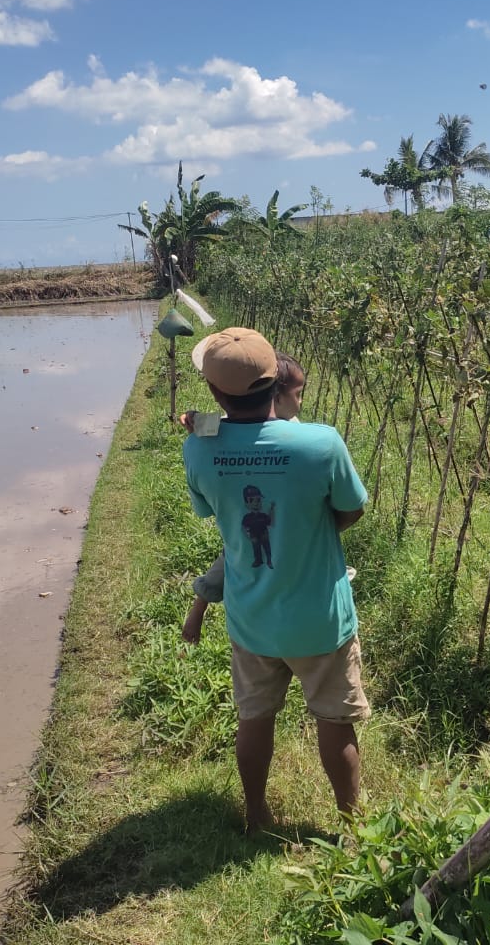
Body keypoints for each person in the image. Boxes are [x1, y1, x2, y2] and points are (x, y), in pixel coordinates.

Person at [180, 327, 370, 833]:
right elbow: (350, 510)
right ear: (277, 382)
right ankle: (352, 824)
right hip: (319, 618)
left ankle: (256, 813)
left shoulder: (198, 450)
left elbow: (214, 510)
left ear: (217, 394)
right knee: (335, 718)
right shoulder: (321, 442)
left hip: (253, 618)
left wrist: (202, 428)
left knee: (255, 717)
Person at [181, 351, 308, 644]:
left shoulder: (295, 428)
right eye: (297, 394)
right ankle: (200, 605)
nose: (300, 403)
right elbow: (215, 423)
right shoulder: (249, 426)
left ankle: (203, 605)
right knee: (235, 555)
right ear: (274, 395)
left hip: (284, 515)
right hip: (253, 510)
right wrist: (194, 419)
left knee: (241, 556)